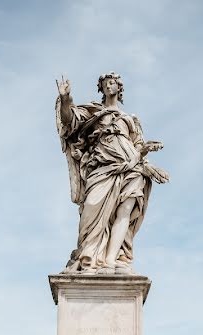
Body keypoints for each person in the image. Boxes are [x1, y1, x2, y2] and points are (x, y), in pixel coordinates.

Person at [55, 72, 170, 274]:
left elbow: (139, 146)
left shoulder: (130, 119)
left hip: (132, 167)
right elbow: (69, 121)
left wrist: (146, 156)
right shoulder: (93, 112)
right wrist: (66, 99)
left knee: (124, 212)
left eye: (112, 83)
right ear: (101, 88)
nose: (109, 86)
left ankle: (111, 260)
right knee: (92, 206)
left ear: (119, 87)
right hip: (102, 167)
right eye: (105, 84)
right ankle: (89, 256)